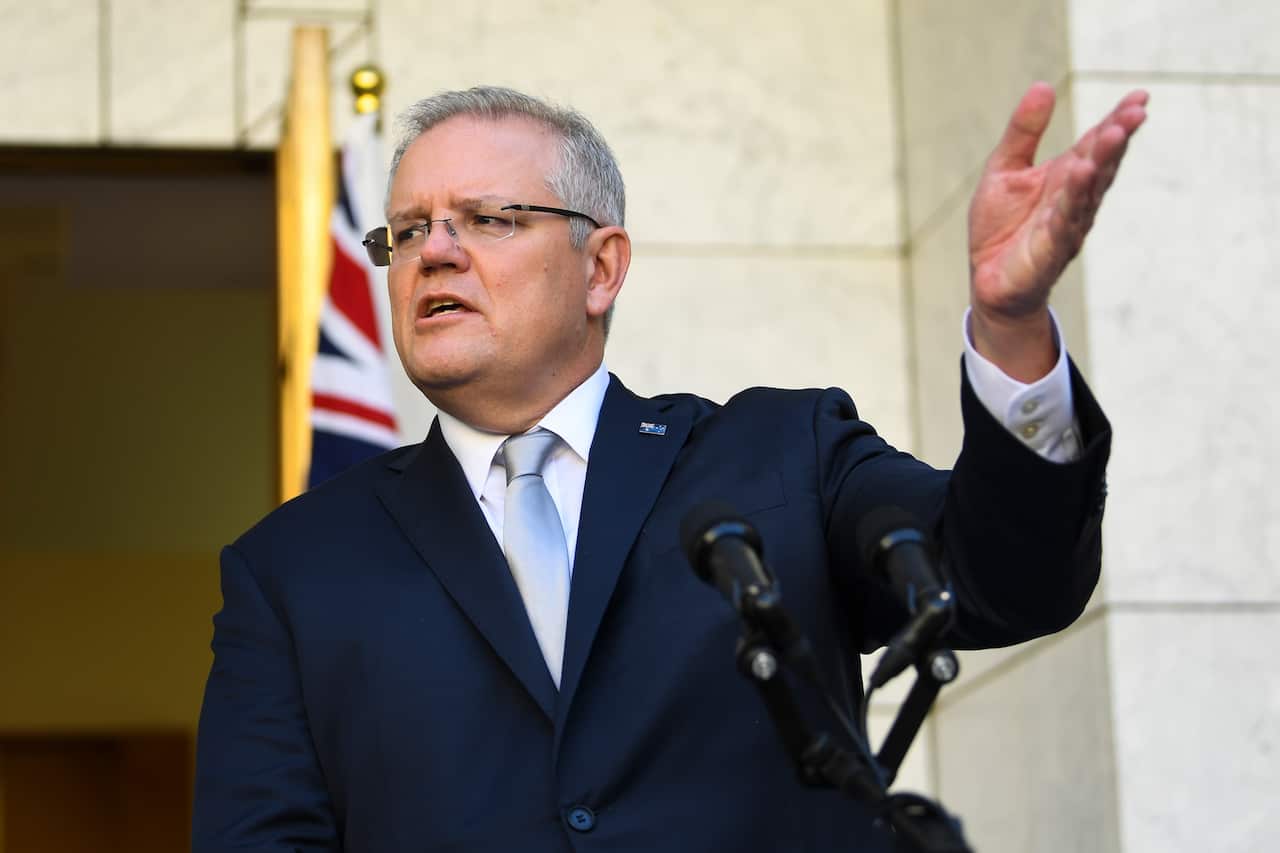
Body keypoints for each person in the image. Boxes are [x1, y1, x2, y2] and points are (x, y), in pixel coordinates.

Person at [192, 83, 1147, 852]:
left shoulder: (784, 457)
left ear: (602, 267)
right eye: (406, 231)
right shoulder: (292, 568)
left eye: (486, 218)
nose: (434, 252)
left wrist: (1012, 327)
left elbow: (1005, 584)